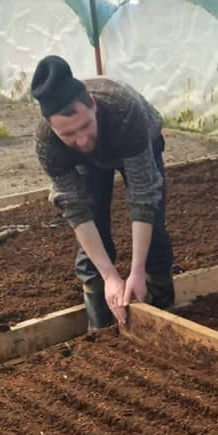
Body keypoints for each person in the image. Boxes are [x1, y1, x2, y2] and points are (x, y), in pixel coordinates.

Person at [31, 55, 174, 329]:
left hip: (139, 140)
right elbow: (75, 208)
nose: (81, 139)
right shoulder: (48, 144)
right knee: (94, 229)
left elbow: (143, 194)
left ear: (93, 105)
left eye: (85, 126)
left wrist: (136, 271)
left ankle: (163, 311)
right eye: (69, 134)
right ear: (51, 127)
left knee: (153, 227)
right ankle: (100, 325)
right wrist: (110, 277)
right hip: (87, 164)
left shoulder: (124, 110)